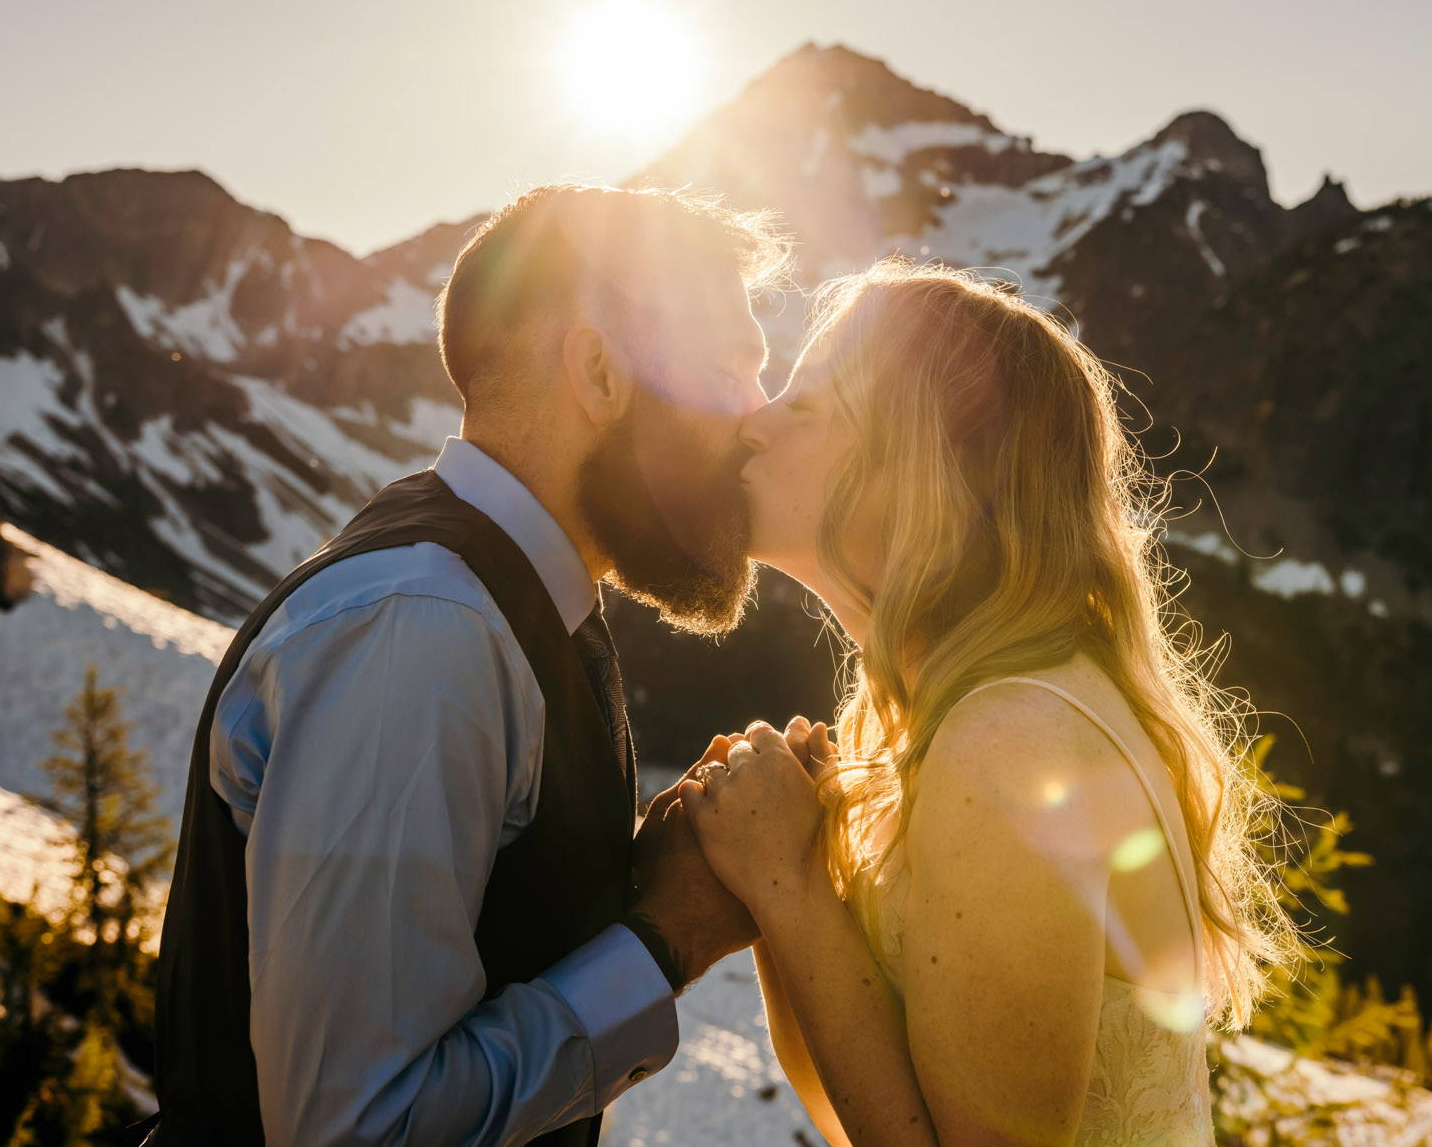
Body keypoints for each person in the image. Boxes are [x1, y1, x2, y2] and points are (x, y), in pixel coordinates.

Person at [146, 184, 792, 1146]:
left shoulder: (504, 601)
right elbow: (354, 1127)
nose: (759, 418)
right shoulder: (427, 630)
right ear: (601, 373)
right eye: (729, 370)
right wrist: (666, 935)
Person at [676, 260, 1310, 1147]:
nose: (756, 425)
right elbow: (860, 1112)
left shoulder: (1007, 741)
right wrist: (791, 877)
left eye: (808, 406)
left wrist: (784, 884)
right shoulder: (963, 715)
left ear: (918, 470)